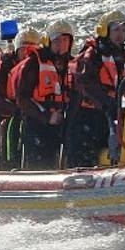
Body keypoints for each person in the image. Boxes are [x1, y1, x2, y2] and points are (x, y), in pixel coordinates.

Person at [68, 10, 125, 168]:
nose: (120, 34)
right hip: (87, 115)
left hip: (110, 113)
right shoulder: (92, 54)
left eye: (124, 30)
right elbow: (86, 84)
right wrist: (107, 103)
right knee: (86, 158)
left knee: (109, 151)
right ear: (105, 31)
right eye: (116, 30)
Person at [14, 20, 74, 170]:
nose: (62, 45)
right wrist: (46, 116)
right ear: (49, 42)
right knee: (39, 164)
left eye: (66, 40)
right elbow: (22, 98)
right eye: (57, 41)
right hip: (36, 123)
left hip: (60, 123)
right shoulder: (34, 63)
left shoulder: (71, 66)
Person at [0, 28, 40, 169]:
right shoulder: (2, 69)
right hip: (5, 115)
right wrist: (16, 110)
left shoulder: (42, 69)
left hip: (33, 116)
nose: (27, 54)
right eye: (23, 49)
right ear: (17, 50)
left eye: (31, 50)